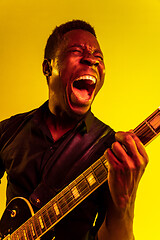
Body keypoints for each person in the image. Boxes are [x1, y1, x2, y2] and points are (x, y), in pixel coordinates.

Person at [0, 20, 148, 240]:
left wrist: (124, 205)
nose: (91, 60)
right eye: (77, 51)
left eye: (99, 57)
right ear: (47, 68)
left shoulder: (110, 151)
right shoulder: (10, 131)